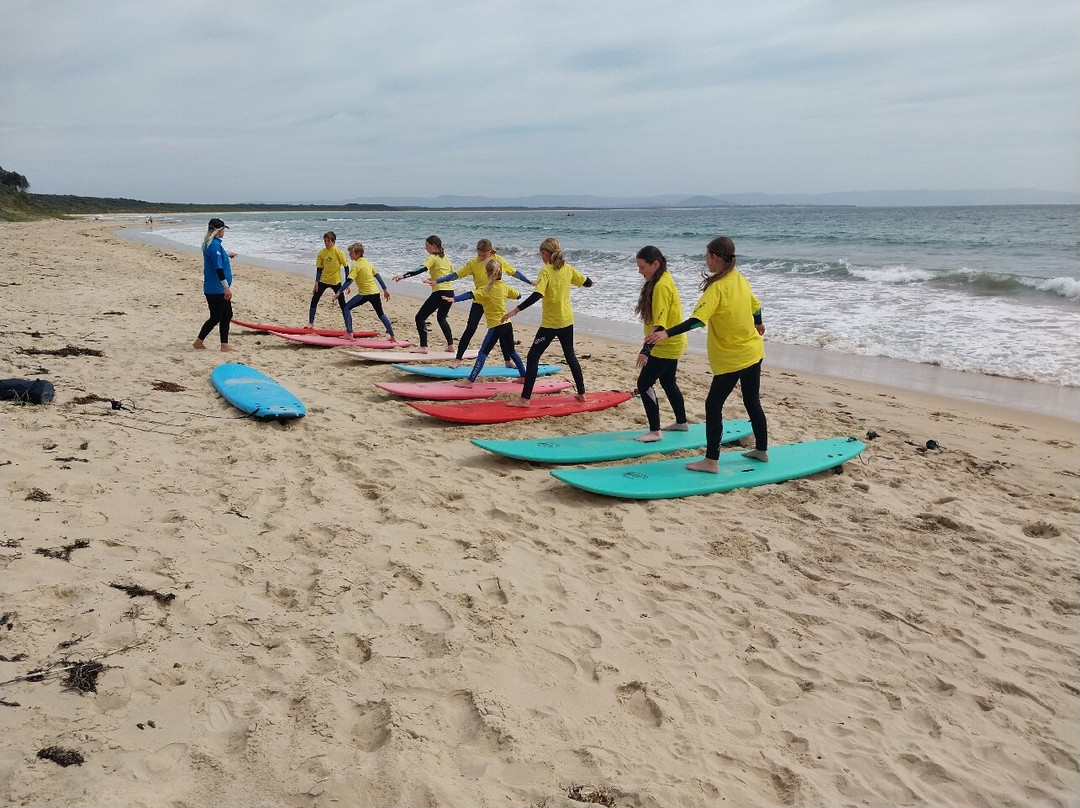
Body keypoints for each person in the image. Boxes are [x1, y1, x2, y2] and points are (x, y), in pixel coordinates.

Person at [644, 236, 768, 472]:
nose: (706, 260)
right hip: (753, 351)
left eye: (707, 256)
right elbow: (756, 306)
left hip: (732, 357)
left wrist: (667, 333)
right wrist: (759, 323)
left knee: (713, 405)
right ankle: (762, 450)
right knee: (752, 401)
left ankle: (711, 460)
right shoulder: (739, 279)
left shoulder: (718, 287)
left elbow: (697, 321)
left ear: (715, 257)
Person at [502, 237, 593, 407]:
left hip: (551, 324)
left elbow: (538, 295)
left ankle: (525, 399)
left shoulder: (545, 271)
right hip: (567, 320)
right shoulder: (568, 268)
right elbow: (586, 282)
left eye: (541, 254)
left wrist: (516, 310)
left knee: (533, 357)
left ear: (545, 253)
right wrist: (591, 282)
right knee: (570, 355)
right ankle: (581, 394)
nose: (541, 257)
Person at [424, 239, 532, 366]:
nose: (480, 257)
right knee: (470, 328)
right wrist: (438, 281)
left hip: (494, 301)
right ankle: (458, 359)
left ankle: (507, 360)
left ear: (490, 252)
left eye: (483, 255)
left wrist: (529, 282)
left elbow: (514, 272)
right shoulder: (473, 263)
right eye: (479, 254)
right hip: (479, 298)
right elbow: (456, 275)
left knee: (502, 328)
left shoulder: (498, 260)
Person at [633, 245, 688, 442]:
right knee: (668, 381)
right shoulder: (662, 277)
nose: (640, 271)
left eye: (642, 267)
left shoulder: (661, 286)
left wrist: (645, 351)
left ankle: (655, 431)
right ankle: (681, 422)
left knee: (644, 383)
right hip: (673, 344)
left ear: (655, 264)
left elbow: (659, 326)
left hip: (664, 346)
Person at [446, 258, 526, 387]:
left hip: (496, 326)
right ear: (500, 273)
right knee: (512, 351)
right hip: (507, 324)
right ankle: (523, 377)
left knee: (483, 353)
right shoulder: (505, 287)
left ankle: (469, 381)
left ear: (488, 273)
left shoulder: (485, 289)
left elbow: (469, 294)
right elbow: (519, 295)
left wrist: (454, 299)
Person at [392, 235, 455, 353]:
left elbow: (421, 268)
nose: (426, 248)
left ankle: (424, 346)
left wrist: (404, 275)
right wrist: (433, 279)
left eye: (427, 246)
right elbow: (450, 274)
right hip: (450, 292)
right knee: (441, 318)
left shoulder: (433, 257)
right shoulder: (445, 258)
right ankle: (451, 346)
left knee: (420, 317)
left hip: (440, 292)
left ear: (433, 246)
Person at [337, 242, 396, 340]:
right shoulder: (368, 264)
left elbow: (349, 280)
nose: (349, 254)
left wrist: (339, 292)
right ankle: (393, 336)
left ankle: (349, 334)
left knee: (346, 308)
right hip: (375, 292)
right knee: (381, 314)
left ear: (358, 253)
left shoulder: (356, 265)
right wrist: (385, 289)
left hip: (365, 293)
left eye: (351, 253)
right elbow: (378, 276)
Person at [194, 217, 236, 352]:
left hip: (214, 288)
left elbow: (217, 257)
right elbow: (218, 269)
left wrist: (228, 255)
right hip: (216, 289)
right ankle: (199, 342)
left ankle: (223, 345)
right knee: (217, 317)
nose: (224, 232)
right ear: (219, 230)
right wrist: (226, 287)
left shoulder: (211, 243)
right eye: (223, 230)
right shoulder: (214, 246)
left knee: (226, 315)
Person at [306, 231, 350, 329]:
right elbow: (319, 269)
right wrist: (316, 282)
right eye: (325, 241)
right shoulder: (321, 253)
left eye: (328, 241)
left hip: (336, 282)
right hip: (323, 280)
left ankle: (348, 326)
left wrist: (347, 282)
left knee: (343, 304)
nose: (326, 243)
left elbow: (346, 267)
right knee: (314, 300)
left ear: (333, 242)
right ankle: (310, 323)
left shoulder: (339, 253)